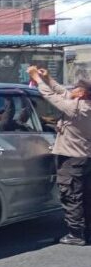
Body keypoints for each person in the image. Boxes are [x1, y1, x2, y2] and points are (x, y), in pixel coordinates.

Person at [28, 66, 91, 245]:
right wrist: (48, 79)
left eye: (78, 89)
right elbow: (64, 93)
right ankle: (86, 231)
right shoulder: (81, 105)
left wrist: (37, 80)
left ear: (82, 95)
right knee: (86, 195)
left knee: (71, 195)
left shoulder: (78, 109)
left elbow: (51, 97)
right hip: (85, 157)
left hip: (72, 157)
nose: (73, 90)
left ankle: (76, 234)